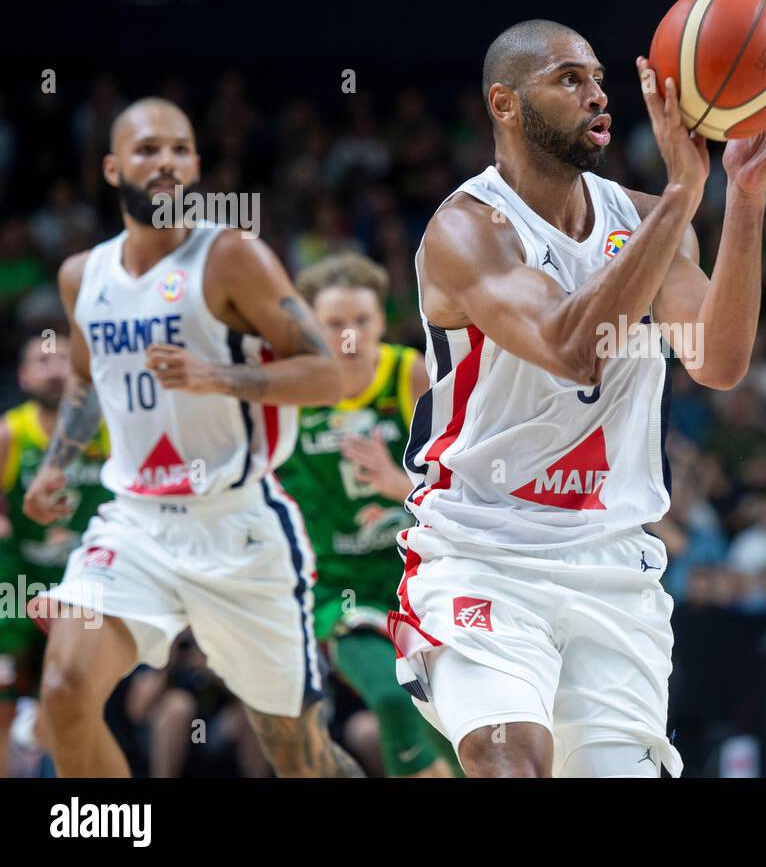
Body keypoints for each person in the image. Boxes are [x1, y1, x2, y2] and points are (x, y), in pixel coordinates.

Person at [388, 19, 766, 777]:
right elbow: (570, 349)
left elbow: (717, 360)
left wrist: (743, 199)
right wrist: (685, 195)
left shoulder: (649, 219)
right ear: (505, 104)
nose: (597, 95)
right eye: (567, 80)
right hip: (479, 550)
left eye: (596, 78)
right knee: (508, 759)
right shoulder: (467, 231)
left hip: (612, 562)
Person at [22, 97, 362, 776]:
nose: (166, 162)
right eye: (148, 150)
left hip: (238, 527)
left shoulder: (232, 256)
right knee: (62, 692)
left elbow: (329, 373)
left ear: (197, 165)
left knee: (298, 753)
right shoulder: (82, 276)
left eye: (180, 149)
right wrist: (56, 464)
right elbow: (88, 386)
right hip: (136, 525)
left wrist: (219, 377)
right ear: (113, 166)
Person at [276, 253, 458, 777]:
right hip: (339, 588)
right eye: (334, 323)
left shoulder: (411, 375)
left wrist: (398, 484)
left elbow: (463, 489)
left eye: (362, 320)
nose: (350, 334)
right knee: (394, 695)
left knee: (450, 715)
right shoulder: (288, 391)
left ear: (382, 320)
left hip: (420, 575)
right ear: (310, 325)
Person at [0, 333, 111, 775]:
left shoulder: (107, 429)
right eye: (42, 361)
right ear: (24, 376)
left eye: (64, 359)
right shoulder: (11, 432)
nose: (55, 369)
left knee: (76, 693)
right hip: (19, 577)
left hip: (85, 579)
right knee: (4, 695)